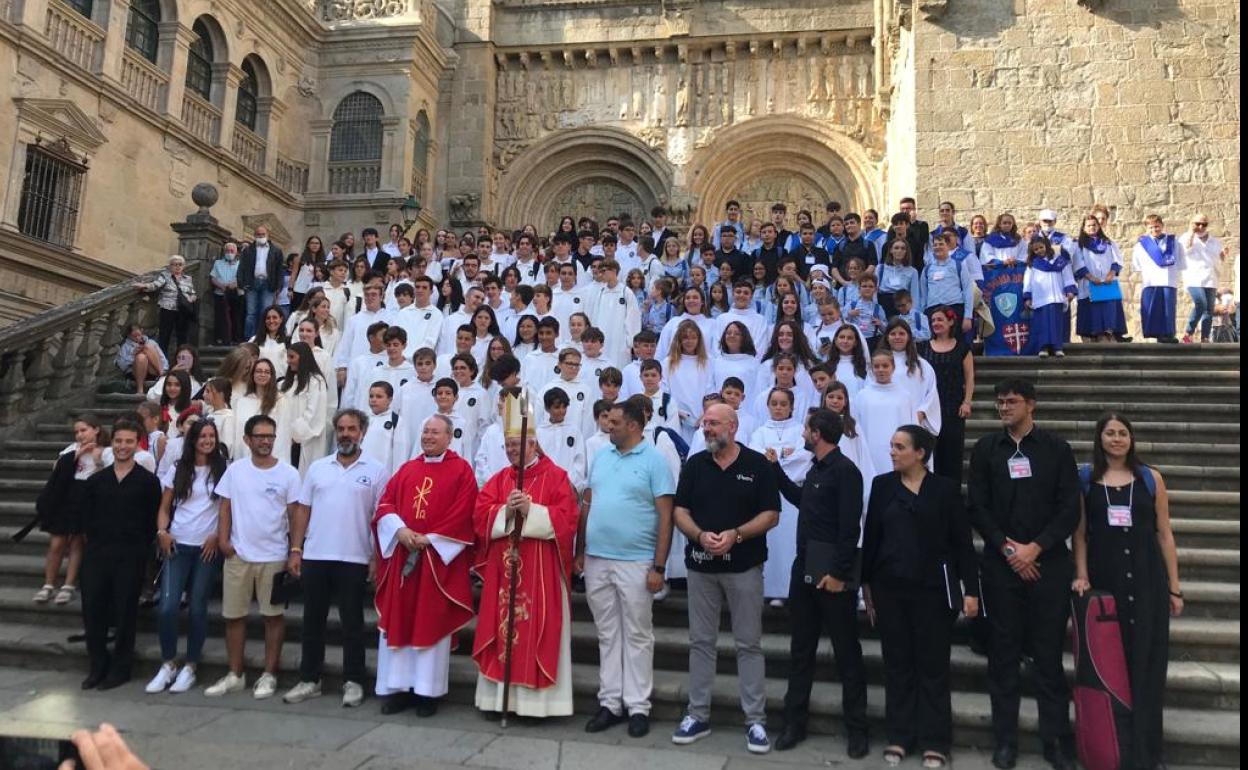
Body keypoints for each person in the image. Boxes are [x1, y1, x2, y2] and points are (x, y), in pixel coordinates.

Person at [967, 378, 1080, 770]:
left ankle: (1057, 743)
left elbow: (1069, 507)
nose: (1003, 408)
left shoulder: (1056, 449)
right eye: (999, 402)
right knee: (1003, 657)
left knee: (1047, 658)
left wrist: (1037, 547)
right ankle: (1005, 741)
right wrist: (1010, 548)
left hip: (1048, 566)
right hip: (1002, 566)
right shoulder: (986, 450)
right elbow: (977, 506)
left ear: (1031, 404)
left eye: (1011, 401)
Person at [862, 426, 978, 769]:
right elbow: (872, 537)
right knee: (897, 664)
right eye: (892, 445)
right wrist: (866, 584)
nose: (893, 452)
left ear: (920, 453)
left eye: (900, 447)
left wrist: (970, 589)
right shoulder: (882, 486)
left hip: (932, 591)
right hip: (890, 588)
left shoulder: (943, 490)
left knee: (932, 666)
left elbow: (962, 544)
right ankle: (899, 735)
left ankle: (935, 740)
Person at [1071, 413, 1183, 770]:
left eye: (1123, 433)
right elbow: (1080, 534)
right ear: (1099, 438)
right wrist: (1082, 575)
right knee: (1113, 668)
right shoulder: (1087, 479)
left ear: (1131, 439)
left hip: (1148, 580)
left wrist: (1175, 587)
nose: (1117, 439)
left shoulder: (1150, 479)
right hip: (1108, 581)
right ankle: (1116, 746)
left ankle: (1149, 753)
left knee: (1148, 668)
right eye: (1110, 433)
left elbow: (1164, 534)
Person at [670, 403, 780, 754]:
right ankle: (697, 714)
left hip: (744, 567)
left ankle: (755, 721)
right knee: (701, 642)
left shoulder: (757, 465)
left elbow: (771, 513)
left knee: (748, 644)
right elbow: (679, 511)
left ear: (733, 426)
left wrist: (737, 535)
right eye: (705, 424)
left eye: (714, 424)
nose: (707, 429)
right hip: (701, 567)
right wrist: (700, 536)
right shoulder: (695, 465)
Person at [769, 409, 870, 757]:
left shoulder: (846, 472)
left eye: (807, 429)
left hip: (834, 577)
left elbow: (849, 528)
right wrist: (776, 472)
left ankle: (857, 729)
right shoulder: (814, 470)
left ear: (818, 433)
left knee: (847, 653)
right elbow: (801, 501)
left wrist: (840, 574)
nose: (802, 434)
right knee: (801, 651)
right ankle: (793, 723)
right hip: (806, 571)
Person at [575, 396, 676, 738]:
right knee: (607, 632)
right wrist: (580, 549)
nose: (608, 426)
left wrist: (659, 566)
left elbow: (666, 516)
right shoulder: (602, 455)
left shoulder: (655, 460)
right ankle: (610, 702)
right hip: (598, 557)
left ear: (633, 425)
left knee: (637, 633)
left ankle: (638, 706)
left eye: (615, 422)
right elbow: (588, 504)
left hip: (636, 559)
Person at [472, 404, 579, 718]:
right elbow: (480, 517)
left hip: (540, 569)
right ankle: (497, 701)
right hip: (504, 572)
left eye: (518, 445)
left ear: (533, 444)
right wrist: (504, 511)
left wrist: (532, 510)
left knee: (538, 631)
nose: (512, 451)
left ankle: (537, 706)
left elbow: (567, 520)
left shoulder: (556, 477)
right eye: (507, 446)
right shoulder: (498, 479)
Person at [282, 409, 389, 708]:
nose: (346, 434)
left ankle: (353, 681)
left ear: (363, 432)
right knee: (312, 621)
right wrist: (296, 549)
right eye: (341, 429)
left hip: (354, 557)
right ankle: (309, 679)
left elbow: (381, 516)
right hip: (316, 554)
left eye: (352, 429)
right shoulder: (318, 467)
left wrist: (375, 557)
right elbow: (303, 509)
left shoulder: (378, 470)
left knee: (352, 623)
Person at [205, 414, 302, 700]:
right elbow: (225, 506)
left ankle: (269, 674)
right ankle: (235, 674)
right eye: (259, 436)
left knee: (273, 617)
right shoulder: (235, 470)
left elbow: (295, 514)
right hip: (239, 554)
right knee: (234, 616)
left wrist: (294, 549)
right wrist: (223, 540)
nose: (265, 441)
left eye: (270, 436)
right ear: (247, 440)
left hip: (273, 556)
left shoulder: (288, 473)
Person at [77, 419, 161, 690]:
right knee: (93, 611)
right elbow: (85, 519)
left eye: (129, 441)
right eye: (119, 441)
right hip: (97, 555)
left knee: (125, 612)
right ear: (111, 443)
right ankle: (97, 666)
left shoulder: (148, 481)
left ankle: (121, 669)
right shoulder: (97, 480)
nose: (123, 446)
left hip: (131, 555)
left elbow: (152, 520)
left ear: (137, 445)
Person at [748, 387, 811, 605]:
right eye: (774, 403)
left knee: (790, 544)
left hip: (792, 491)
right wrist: (782, 456)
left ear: (792, 407)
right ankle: (772, 589)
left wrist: (778, 456)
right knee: (773, 544)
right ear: (767, 406)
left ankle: (789, 589)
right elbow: (755, 454)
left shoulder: (800, 430)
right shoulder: (759, 432)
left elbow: (804, 456)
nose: (778, 408)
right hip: (768, 492)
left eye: (783, 404)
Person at [919, 308, 974, 485]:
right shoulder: (923, 348)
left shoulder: (962, 348)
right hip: (929, 408)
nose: (936, 323)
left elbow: (969, 377)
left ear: (951, 322)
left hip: (953, 409)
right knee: (931, 454)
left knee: (952, 455)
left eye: (940, 320)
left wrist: (967, 401)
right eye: (933, 320)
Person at [1131, 214, 1186, 344]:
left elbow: (1180, 260)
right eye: (1151, 227)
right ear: (1146, 228)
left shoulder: (1173, 242)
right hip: (1150, 280)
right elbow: (1137, 264)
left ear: (1162, 225)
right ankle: (1157, 334)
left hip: (1168, 279)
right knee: (1153, 308)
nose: (1154, 229)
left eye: (1156, 226)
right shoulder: (1141, 245)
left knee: (1168, 308)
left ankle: (1169, 334)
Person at [1022, 237, 1077, 358]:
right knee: (1042, 324)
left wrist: (1070, 290)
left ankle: (1057, 347)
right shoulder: (1032, 265)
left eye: (1041, 247)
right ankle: (1043, 347)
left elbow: (1067, 276)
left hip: (1057, 296)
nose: (1039, 250)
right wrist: (1027, 296)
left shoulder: (1060, 261)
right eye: (1036, 249)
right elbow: (1028, 282)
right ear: (1032, 251)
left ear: (1047, 245)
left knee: (1056, 322)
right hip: (1040, 298)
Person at [135, 255, 198, 356]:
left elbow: (192, 292)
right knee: (165, 335)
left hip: (183, 310)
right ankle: (162, 359)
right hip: (168, 308)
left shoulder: (188, 279)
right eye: (175, 264)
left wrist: (192, 297)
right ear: (170, 266)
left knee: (182, 336)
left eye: (180, 264)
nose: (177, 267)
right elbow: (156, 284)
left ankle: (181, 358)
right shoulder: (165, 276)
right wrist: (145, 286)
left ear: (184, 266)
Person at [1180, 213, 1225, 343]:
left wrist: (1222, 256)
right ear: (1192, 223)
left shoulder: (1214, 241)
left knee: (1209, 310)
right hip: (1193, 278)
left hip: (1211, 278)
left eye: (1204, 224)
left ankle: (1205, 337)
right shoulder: (1185, 237)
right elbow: (1185, 250)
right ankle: (1188, 332)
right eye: (1197, 223)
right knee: (1201, 303)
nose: (1200, 226)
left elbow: (1217, 260)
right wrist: (1191, 232)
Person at [238, 225, 285, 339]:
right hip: (252, 283)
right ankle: (249, 338)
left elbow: (279, 269)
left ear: (267, 235)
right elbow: (242, 268)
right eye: (258, 235)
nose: (260, 237)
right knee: (251, 313)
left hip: (268, 284)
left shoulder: (276, 251)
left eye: (262, 234)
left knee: (266, 312)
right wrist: (241, 284)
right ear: (255, 236)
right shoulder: (248, 250)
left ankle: (263, 337)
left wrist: (279, 286)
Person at [211, 242, 244, 344]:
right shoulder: (218, 263)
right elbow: (213, 277)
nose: (229, 253)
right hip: (220, 293)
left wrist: (234, 284)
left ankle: (235, 339)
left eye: (232, 251)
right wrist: (221, 286)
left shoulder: (240, 264)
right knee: (221, 318)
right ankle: (221, 339)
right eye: (227, 251)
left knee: (235, 317)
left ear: (236, 252)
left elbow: (243, 278)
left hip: (235, 293)